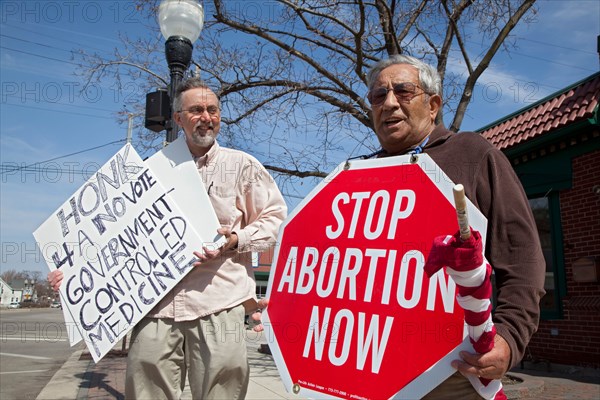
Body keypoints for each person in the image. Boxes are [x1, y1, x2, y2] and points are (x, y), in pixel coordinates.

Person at [256, 55, 545, 399]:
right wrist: (285, 308)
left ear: (434, 104)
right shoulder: (357, 176)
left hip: (451, 374)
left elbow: (523, 256)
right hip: (364, 373)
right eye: (379, 96)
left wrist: (510, 338)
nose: (389, 103)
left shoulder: (472, 153)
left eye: (403, 91)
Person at [48, 77, 287, 400]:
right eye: (196, 110)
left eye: (213, 110)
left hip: (219, 301)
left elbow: (274, 218)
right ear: (178, 118)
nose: (206, 117)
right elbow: (112, 241)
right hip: (155, 306)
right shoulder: (147, 173)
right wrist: (74, 275)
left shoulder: (243, 166)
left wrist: (236, 239)